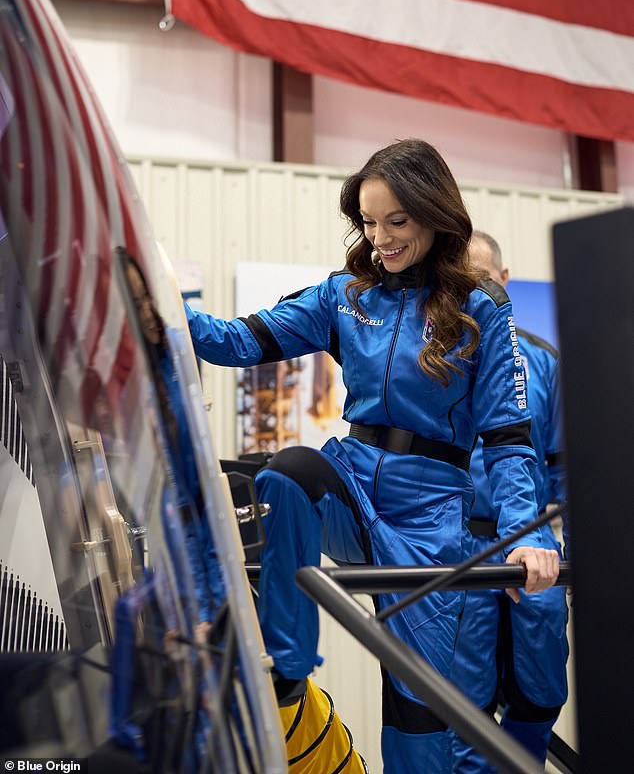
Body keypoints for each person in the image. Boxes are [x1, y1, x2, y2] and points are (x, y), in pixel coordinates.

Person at [186, 139, 560, 773]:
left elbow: (507, 437)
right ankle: (289, 668)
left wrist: (528, 535)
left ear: (433, 214)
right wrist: (165, 309)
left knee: (418, 722)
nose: (380, 238)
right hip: (353, 486)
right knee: (286, 478)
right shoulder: (343, 295)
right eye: (367, 221)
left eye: (397, 221)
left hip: (430, 523)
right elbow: (232, 341)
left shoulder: (481, 308)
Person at [450, 231, 569, 772]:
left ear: (503, 279)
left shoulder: (542, 363)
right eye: (462, 279)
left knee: (540, 682)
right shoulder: (431, 359)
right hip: (454, 539)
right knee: (462, 694)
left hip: (530, 537)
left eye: (482, 278)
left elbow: (566, 465)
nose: (473, 290)